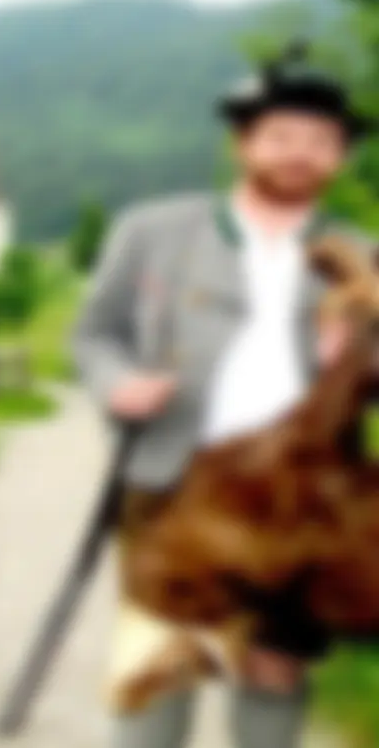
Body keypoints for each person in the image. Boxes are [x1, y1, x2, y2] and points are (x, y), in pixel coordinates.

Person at [72, 42, 372, 748]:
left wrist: (358, 350)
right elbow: (97, 335)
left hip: (305, 502)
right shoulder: (155, 233)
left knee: (275, 669)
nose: (302, 153)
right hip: (177, 485)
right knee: (159, 666)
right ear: (244, 142)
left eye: (322, 141)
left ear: (340, 156)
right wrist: (122, 384)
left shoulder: (359, 254)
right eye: (284, 136)